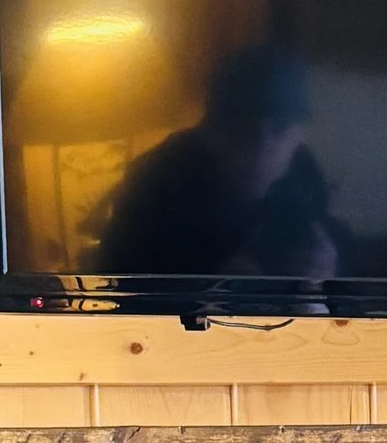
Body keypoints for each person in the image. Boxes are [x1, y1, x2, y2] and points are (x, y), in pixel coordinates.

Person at [94, 43, 341, 283]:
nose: (261, 147)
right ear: (210, 129)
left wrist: (330, 276)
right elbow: (114, 285)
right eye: (243, 129)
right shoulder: (153, 183)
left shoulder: (306, 182)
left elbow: (348, 296)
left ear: (301, 134)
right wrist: (206, 288)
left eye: (280, 129)